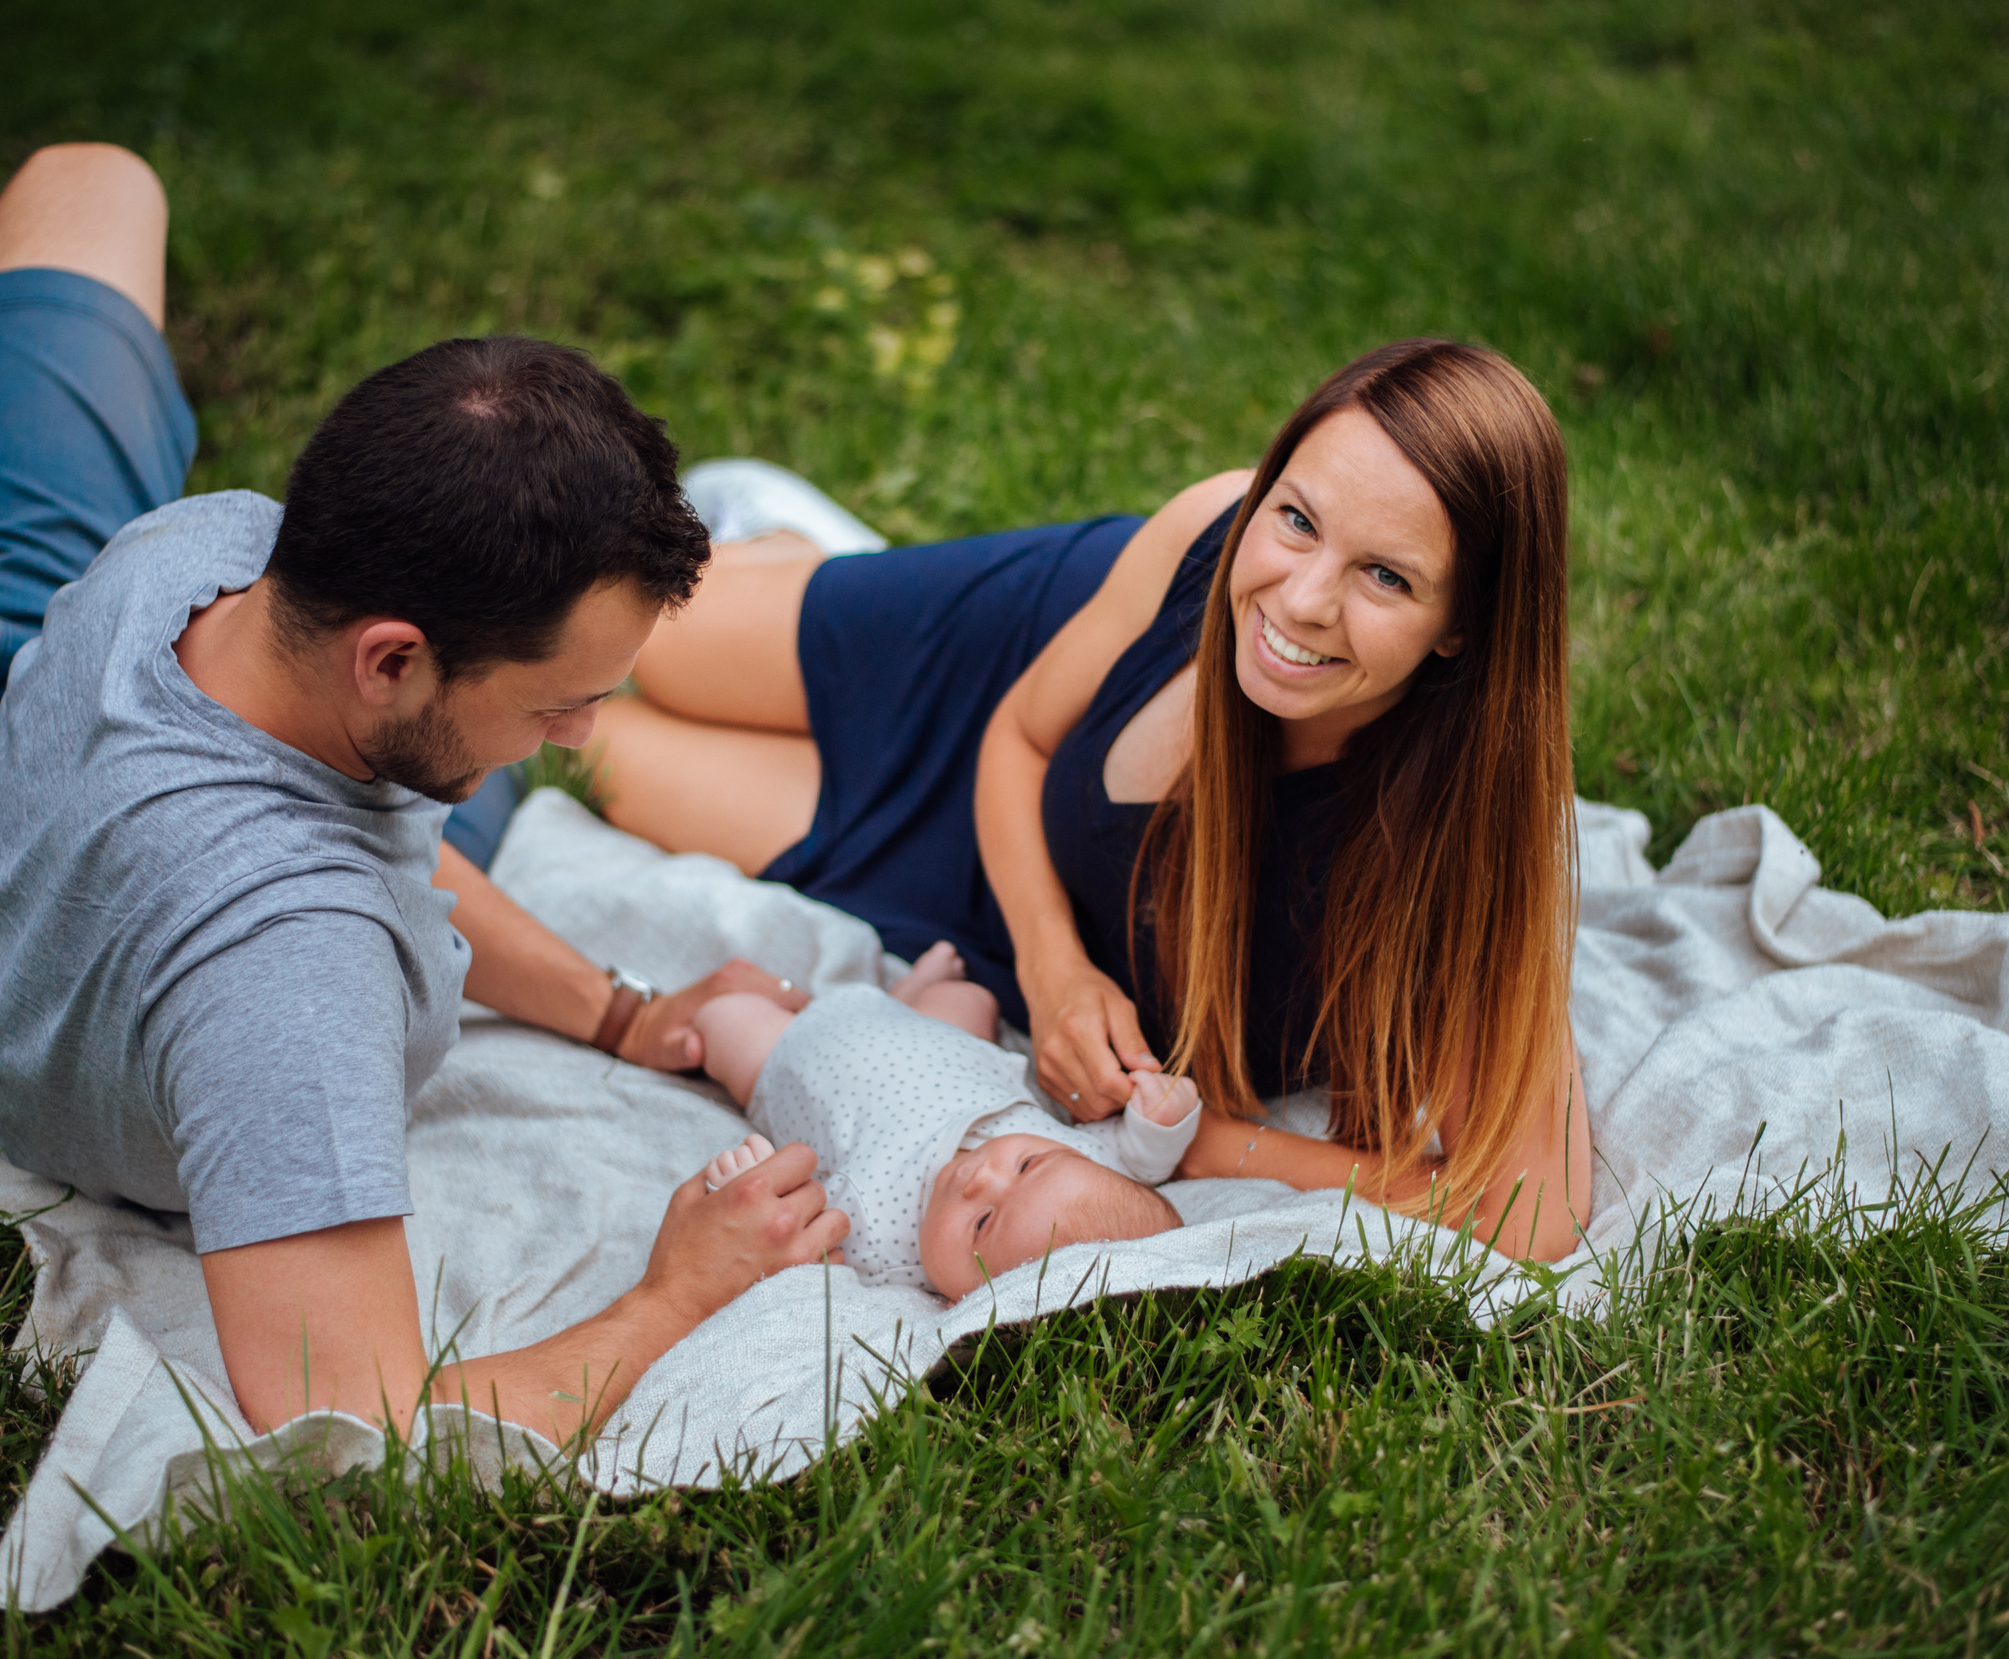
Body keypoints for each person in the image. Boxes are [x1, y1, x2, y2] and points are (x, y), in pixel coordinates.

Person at [0, 143, 848, 1445]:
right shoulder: (291, 977)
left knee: (93, 183)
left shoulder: (230, 550)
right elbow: (349, 1418)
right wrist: (679, 1291)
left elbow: (387, 832)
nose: (580, 738)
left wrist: (619, 1012)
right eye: (556, 702)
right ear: (393, 658)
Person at [591, 341, 1592, 1262]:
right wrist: (1055, 967)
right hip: (1014, 692)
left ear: (1462, 624)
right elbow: (1022, 737)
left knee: (609, 754)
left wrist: (1214, 1145)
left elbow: (1526, 1209)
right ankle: (795, 544)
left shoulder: (1467, 846)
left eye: (1383, 574)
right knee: (648, 638)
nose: (1300, 600)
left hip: (972, 892)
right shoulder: (1210, 533)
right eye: (1294, 518)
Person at [691, 945, 1196, 1297]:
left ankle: (889, 997)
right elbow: (1136, 1156)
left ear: (965, 1302)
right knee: (973, 998)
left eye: (981, 1222)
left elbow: (786, 1246)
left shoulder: (877, 1248)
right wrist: (1162, 1117)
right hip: (936, 1034)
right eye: (1024, 1166)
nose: (984, 1175)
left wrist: (746, 1185)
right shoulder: (1080, 1167)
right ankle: (908, 994)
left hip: (802, 1054)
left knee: (723, 1018)